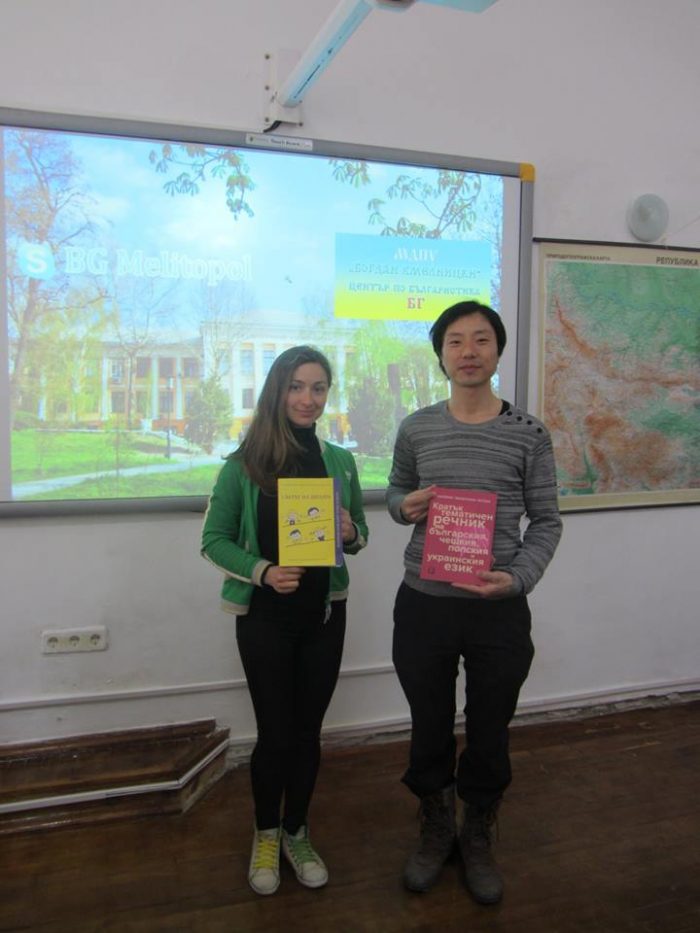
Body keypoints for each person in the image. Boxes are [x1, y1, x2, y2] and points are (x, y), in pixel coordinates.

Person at [386, 301, 562, 905]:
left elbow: (547, 522)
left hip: (498, 609)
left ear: (497, 350)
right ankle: (436, 826)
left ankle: (478, 831)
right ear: (441, 355)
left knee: (490, 727)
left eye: (481, 339)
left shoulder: (529, 433)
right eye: (455, 341)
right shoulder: (416, 428)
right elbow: (397, 493)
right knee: (429, 723)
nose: (468, 351)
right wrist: (403, 506)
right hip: (424, 605)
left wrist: (517, 579)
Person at [201, 346, 368, 897]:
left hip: (325, 615)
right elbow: (213, 541)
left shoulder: (340, 461)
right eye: (296, 386)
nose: (308, 398)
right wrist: (264, 571)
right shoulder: (243, 464)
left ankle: (297, 831)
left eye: (318, 388)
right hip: (266, 619)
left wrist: (350, 533)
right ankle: (266, 833)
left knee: (307, 733)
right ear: (277, 391)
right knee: (275, 735)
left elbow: (359, 534)